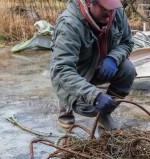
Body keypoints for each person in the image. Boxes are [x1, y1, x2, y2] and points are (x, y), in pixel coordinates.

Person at [51, 0, 136, 130]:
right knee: (87, 106)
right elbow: (63, 71)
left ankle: (103, 113)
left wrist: (113, 58)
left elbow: (127, 42)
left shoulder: (116, 11)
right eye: (105, 9)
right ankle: (65, 106)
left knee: (128, 70)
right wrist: (94, 95)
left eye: (112, 8)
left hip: (101, 65)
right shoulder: (69, 24)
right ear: (90, 3)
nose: (110, 13)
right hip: (78, 73)